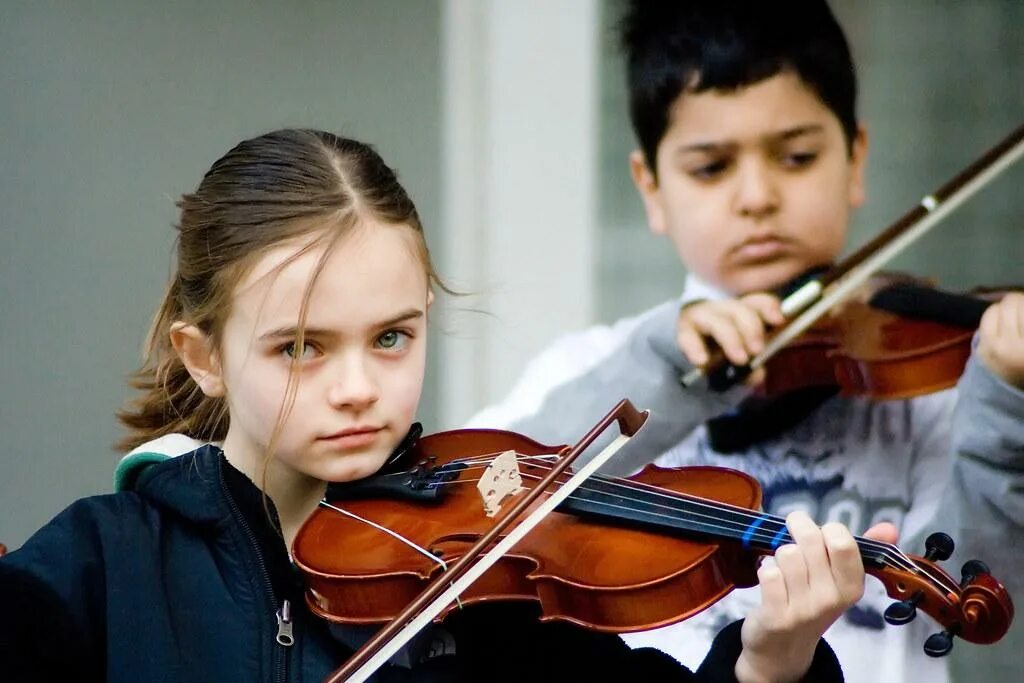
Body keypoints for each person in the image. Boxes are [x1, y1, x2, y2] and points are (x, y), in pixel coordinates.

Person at [0, 128, 889, 682]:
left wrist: (773, 659)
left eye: (390, 337)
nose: (357, 387)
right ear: (207, 359)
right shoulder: (107, 561)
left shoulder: (485, 585)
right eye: (301, 347)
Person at [467, 2, 1021, 681]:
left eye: (796, 156)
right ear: (651, 188)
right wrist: (659, 366)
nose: (757, 196)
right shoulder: (594, 366)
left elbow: (982, 594)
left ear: (855, 158)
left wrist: (1002, 402)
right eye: (710, 167)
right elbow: (478, 505)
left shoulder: (933, 397)